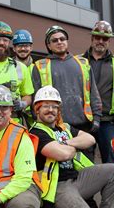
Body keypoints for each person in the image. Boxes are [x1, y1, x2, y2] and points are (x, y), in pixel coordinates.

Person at [30, 86, 114, 208]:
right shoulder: (35, 132)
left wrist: (65, 142)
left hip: (76, 178)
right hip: (57, 185)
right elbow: (63, 154)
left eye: (54, 107)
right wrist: (70, 146)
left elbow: (90, 139)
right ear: (37, 109)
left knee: (113, 171)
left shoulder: (64, 128)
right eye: (45, 106)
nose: (50, 110)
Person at [32, 25, 102, 161]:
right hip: (55, 127)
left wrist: (97, 118)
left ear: (67, 41)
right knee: (63, 170)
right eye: (54, 40)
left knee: (86, 169)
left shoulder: (83, 63)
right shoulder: (40, 66)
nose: (59, 42)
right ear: (48, 45)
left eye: (62, 39)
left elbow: (93, 92)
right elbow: (36, 98)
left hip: (83, 126)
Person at [80, 21, 114, 163]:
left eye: (104, 38)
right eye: (97, 37)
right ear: (92, 38)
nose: (101, 41)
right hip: (84, 120)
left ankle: (111, 186)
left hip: (109, 121)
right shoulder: (79, 61)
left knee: (112, 162)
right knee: (84, 163)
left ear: (109, 41)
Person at [0, 22, 34, 126]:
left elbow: (27, 95)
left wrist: (23, 103)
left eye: (5, 40)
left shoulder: (21, 67)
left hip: (15, 123)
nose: (2, 43)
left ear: (9, 43)